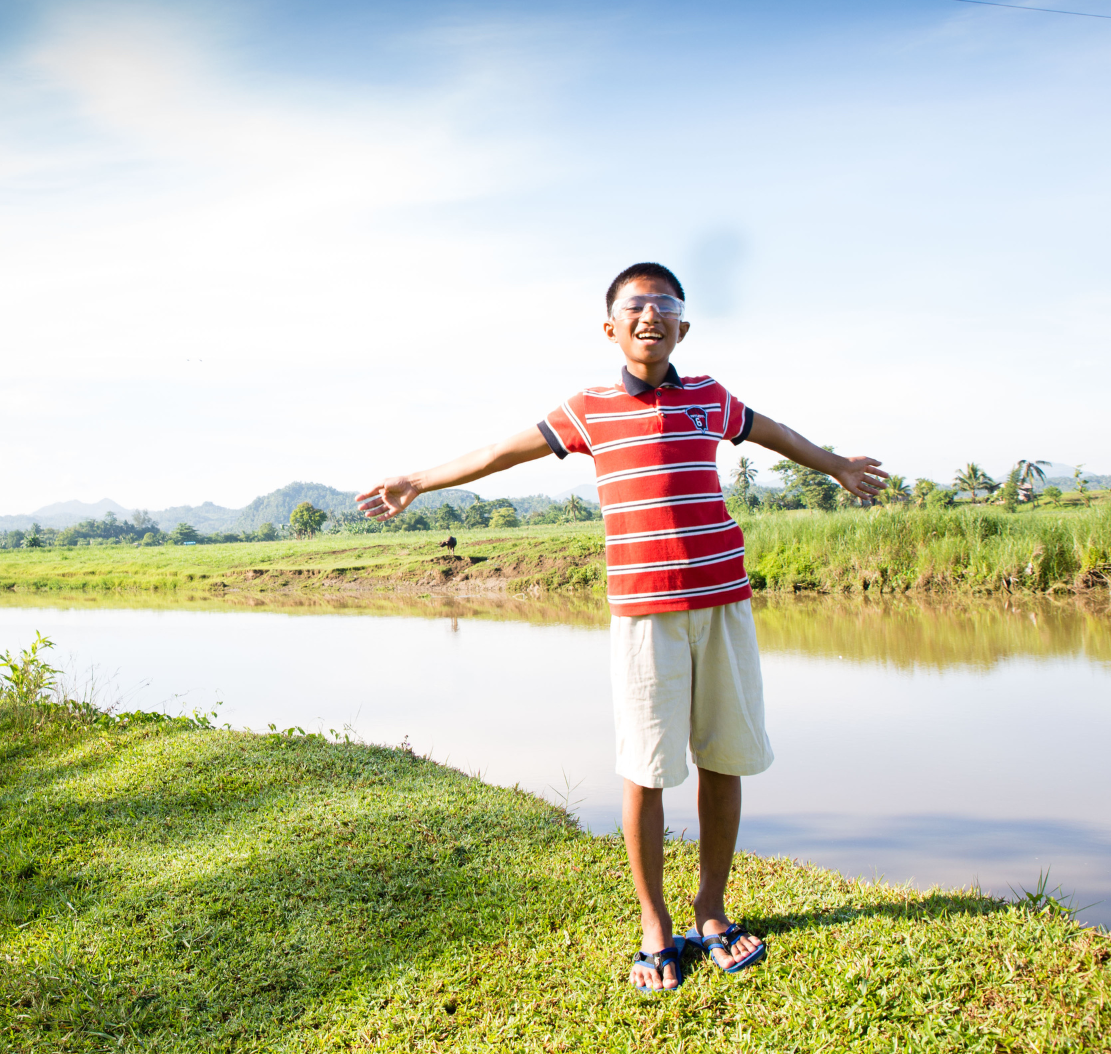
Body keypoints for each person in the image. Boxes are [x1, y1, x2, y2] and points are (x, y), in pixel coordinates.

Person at [356, 262, 883, 993]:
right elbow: (498, 453)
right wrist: (420, 478)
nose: (650, 317)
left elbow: (775, 434)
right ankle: (654, 925)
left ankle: (712, 910)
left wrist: (834, 466)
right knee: (647, 767)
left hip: (722, 598)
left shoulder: (710, 398)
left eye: (664, 306)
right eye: (635, 307)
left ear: (683, 327)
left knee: (723, 757)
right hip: (643, 612)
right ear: (611, 328)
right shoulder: (589, 408)